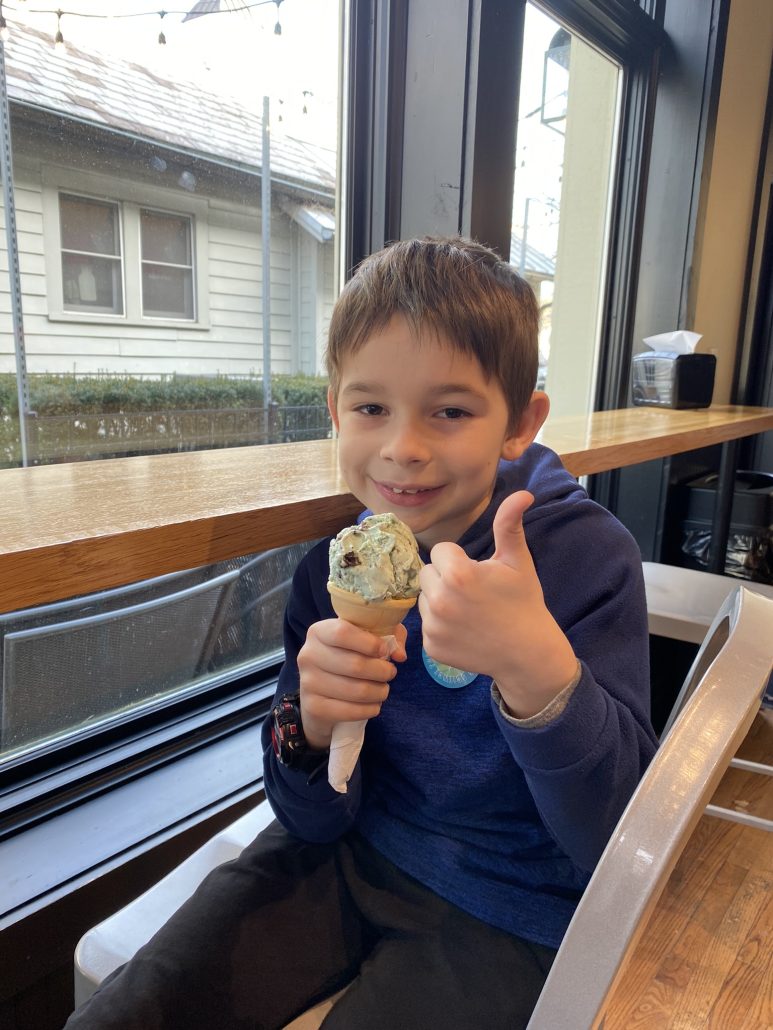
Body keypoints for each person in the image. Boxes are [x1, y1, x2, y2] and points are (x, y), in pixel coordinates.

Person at [65, 237, 658, 1030]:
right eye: (370, 407)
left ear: (519, 422)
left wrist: (539, 674)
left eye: (450, 411)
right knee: (135, 1009)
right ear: (334, 412)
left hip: (518, 906)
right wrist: (309, 726)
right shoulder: (330, 573)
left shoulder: (586, 560)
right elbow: (308, 817)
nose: (402, 448)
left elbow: (616, 847)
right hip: (343, 856)